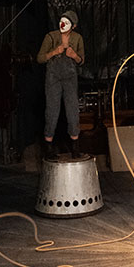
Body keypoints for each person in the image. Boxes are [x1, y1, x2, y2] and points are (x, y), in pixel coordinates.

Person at [37, 10, 85, 160]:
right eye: (61, 21)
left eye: (67, 22)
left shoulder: (77, 38)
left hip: (70, 77)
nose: (62, 24)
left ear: (73, 26)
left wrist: (75, 56)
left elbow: (82, 60)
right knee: (52, 111)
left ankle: (75, 148)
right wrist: (53, 52)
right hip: (53, 77)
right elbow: (40, 58)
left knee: (72, 111)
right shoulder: (51, 37)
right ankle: (48, 148)